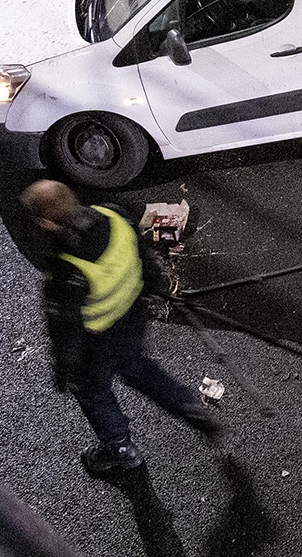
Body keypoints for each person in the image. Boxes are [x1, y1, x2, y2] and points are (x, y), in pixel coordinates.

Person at [22, 178, 219, 475]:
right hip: (132, 320)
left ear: (48, 224)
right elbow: (145, 258)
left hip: (96, 343)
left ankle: (121, 449)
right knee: (141, 369)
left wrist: (66, 373)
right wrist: (154, 286)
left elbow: (66, 330)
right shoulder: (113, 215)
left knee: (94, 394)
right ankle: (190, 409)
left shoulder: (66, 271)